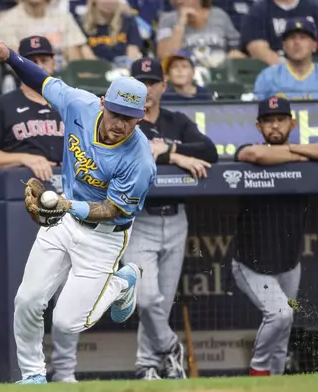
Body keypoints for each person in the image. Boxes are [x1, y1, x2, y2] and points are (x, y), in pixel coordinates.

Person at [0, 34, 156, 384]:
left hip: (105, 237)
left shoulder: (140, 160)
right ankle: (33, 375)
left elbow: (114, 210)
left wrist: (67, 204)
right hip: (63, 221)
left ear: (140, 118)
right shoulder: (80, 104)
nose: (120, 123)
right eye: (116, 113)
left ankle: (122, 282)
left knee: (66, 322)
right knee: (27, 300)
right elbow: (41, 80)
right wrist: (8, 55)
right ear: (103, 102)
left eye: (129, 118)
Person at [123, 57, 218, 380]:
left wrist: (167, 149)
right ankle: (169, 348)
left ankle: (148, 365)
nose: (146, 89)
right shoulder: (123, 120)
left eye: (152, 82)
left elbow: (209, 151)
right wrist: (175, 155)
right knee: (146, 299)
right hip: (139, 219)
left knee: (161, 304)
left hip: (177, 218)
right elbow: (133, 152)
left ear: (163, 86)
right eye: (140, 82)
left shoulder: (176, 120)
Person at [233, 96, 316, 376]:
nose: (275, 125)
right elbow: (254, 155)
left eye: (280, 119)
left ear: (292, 123)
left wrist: (293, 152)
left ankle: (277, 381)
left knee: (284, 326)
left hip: (289, 264)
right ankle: (258, 372)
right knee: (280, 314)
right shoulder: (251, 149)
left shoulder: (306, 155)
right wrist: (300, 153)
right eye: (268, 121)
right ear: (259, 126)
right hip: (250, 263)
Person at [0, 35, 64, 182]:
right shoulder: (0, 105)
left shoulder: (71, 102)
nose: (38, 66)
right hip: (22, 187)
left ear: (54, 63)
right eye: (32, 62)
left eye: (44, 60)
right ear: (19, 67)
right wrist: (24, 158)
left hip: (74, 189)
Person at [253, 18, 318, 100]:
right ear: (284, 46)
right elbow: (256, 109)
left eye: (303, 38)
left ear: (314, 46)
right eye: (291, 38)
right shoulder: (268, 76)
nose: (297, 42)